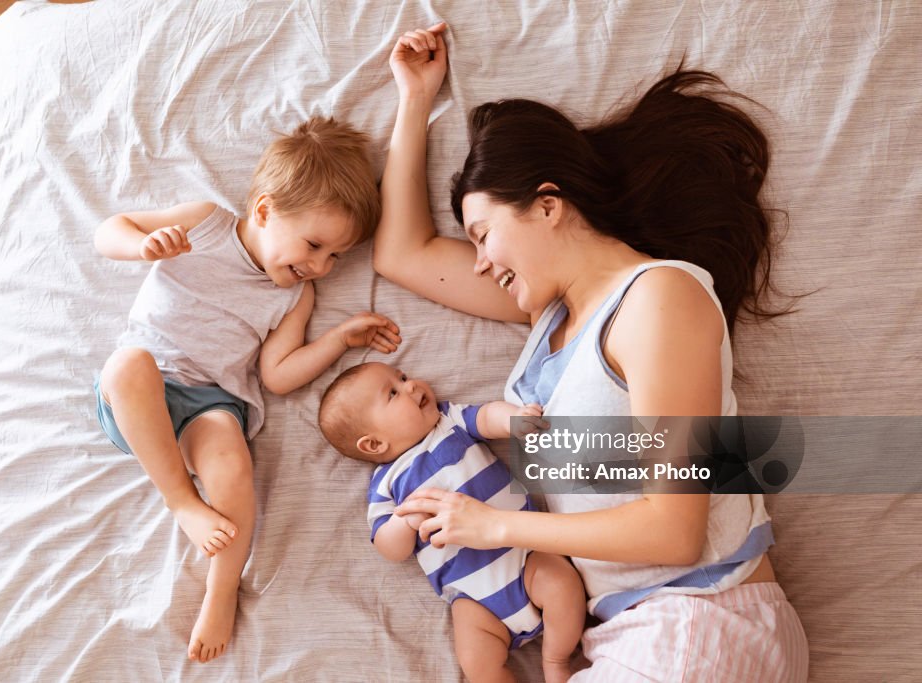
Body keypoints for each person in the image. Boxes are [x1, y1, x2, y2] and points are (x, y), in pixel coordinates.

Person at [375, 23, 809, 682]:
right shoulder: (551, 314)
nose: (482, 262)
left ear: (548, 205)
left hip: (698, 614)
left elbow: (673, 528)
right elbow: (400, 254)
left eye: (485, 234)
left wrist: (495, 526)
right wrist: (414, 100)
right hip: (642, 630)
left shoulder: (658, 297)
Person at [93, 117, 402, 663]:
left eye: (334, 257)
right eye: (314, 245)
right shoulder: (204, 224)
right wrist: (144, 246)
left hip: (208, 403)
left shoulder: (294, 298)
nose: (319, 267)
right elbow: (107, 230)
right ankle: (183, 503)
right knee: (126, 365)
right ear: (263, 210)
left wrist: (337, 339)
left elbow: (278, 376)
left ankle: (222, 585)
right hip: (142, 392)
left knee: (234, 465)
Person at [318, 361, 585, 683]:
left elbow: (486, 417)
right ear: (374, 444)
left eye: (403, 377)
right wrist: (407, 522)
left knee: (562, 585)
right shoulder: (386, 485)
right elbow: (389, 548)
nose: (412, 385)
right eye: (393, 392)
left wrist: (512, 420)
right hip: (473, 597)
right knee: (475, 660)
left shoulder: (449, 421)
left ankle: (555, 660)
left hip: (525, 555)